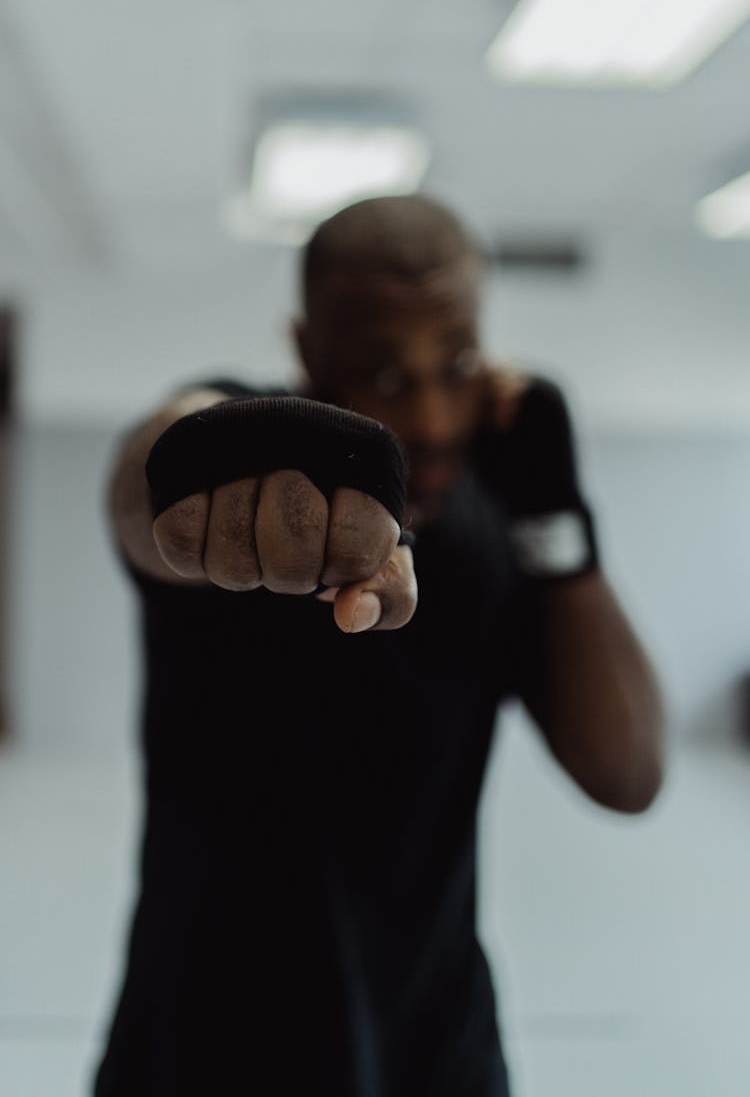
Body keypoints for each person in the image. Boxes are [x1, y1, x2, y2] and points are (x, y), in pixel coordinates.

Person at [93, 193, 666, 1096]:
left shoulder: (496, 525)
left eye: (460, 364)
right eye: (386, 375)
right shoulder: (255, 452)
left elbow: (626, 772)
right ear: (307, 350)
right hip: (206, 1040)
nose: (435, 422)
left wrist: (558, 522)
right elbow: (149, 485)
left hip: (436, 1044)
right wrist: (195, 464)